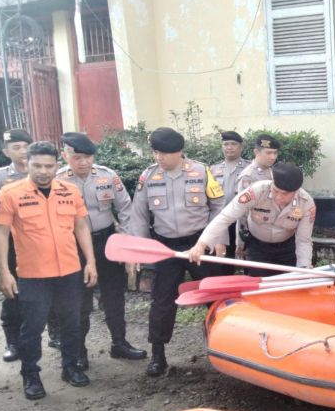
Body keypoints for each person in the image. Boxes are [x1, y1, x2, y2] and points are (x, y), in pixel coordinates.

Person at [0, 141, 97, 400]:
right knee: (33, 327)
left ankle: (70, 367)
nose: (43, 171)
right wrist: (4, 272)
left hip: (70, 271)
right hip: (33, 274)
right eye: (37, 165)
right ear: (26, 164)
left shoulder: (69, 190)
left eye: (49, 166)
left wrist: (91, 262)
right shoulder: (9, 193)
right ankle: (31, 374)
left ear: (57, 165)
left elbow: (81, 227)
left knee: (71, 323)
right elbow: (1, 234)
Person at [128, 127, 226, 376]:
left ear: (179, 152)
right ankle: (158, 355)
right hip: (166, 248)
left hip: (199, 245)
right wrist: (141, 249)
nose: (158, 158)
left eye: (164, 153)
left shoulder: (201, 171)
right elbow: (138, 215)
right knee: (161, 301)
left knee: (213, 299)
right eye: (156, 152)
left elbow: (219, 208)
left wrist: (213, 239)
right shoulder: (148, 176)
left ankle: (224, 349)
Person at [53, 132, 147, 369]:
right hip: (73, 246)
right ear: (65, 155)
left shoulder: (107, 176)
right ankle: (79, 351)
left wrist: (127, 244)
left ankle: (119, 343)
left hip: (107, 241)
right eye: (77, 157)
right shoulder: (57, 181)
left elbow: (125, 208)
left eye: (88, 157)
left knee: (114, 295)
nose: (83, 162)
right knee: (79, 301)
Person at [189, 162, 315, 276]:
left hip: (287, 249)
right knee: (258, 289)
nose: (279, 197)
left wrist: (304, 267)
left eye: (285, 194)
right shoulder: (256, 192)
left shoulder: (306, 203)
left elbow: (303, 240)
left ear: (296, 192)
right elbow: (225, 217)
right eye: (276, 191)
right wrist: (201, 244)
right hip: (258, 248)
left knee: (287, 288)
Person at [0, 129, 31, 362]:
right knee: (13, 292)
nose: (22, 152)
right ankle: (13, 341)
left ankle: (55, 334)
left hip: (39, 241)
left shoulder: (45, 171)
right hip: (10, 243)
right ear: (6, 151)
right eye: (16, 148)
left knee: (50, 286)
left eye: (25, 146)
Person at [210, 131, 250, 274]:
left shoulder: (249, 168)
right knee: (222, 260)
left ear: (241, 147)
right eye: (226, 144)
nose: (230, 147)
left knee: (247, 259)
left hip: (243, 221)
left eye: (234, 144)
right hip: (222, 222)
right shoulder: (213, 169)